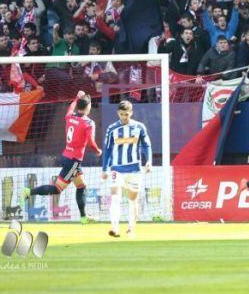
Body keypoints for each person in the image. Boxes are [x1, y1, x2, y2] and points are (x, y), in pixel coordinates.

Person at [21, 91, 101, 224]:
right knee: (57, 189)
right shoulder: (88, 123)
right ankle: (28, 191)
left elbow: (70, 108)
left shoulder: (70, 117)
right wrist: (98, 151)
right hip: (74, 161)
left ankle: (83, 217)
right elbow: (91, 142)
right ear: (88, 107)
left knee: (81, 186)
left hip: (66, 156)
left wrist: (76, 97)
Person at [102, 101, 152, 238]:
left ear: (132, 113)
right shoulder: (111, 129)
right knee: (115, 198)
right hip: (116, 169)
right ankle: (114, 228)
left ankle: (131, 228)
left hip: (134, 170)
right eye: (122, 114)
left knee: (132, 200)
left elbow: (147, 145)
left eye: (127, 114)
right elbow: (107, 150)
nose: (124, 117)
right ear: (118, 113)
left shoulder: (139, 127)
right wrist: (104, 169)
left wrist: (149, 161)